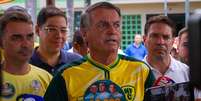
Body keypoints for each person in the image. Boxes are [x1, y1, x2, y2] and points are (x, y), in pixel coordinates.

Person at [44, 2, 154, 101]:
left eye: (116, 25)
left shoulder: (141, 71)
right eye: (103, 25)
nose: (112, 31)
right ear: (84, 33)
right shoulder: (66, 76)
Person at [0, 9, 52, 101]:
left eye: (30, 36)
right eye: (16, 38)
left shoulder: (46, 78)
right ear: (1, 42)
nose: (26, 44)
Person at [29, 6, 82, 75]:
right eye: (52, 29)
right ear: (37, 30)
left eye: (63, 30)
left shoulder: (77, 63)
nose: (59, 36)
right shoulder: (25, 63)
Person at [143, 15, 189, 86]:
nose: (160, 42)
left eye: (166, 37)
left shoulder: (186, 72)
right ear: (145, 39)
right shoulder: (134, 74)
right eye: (154, 36)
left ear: (173, 41)